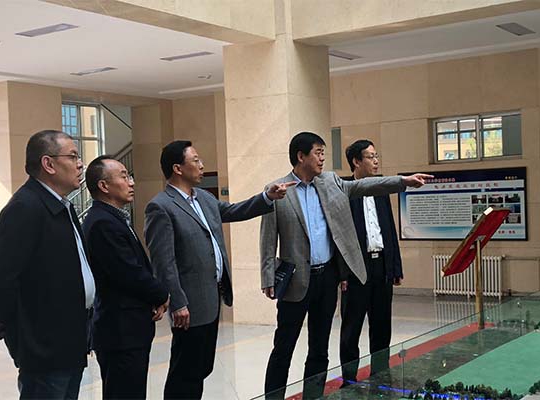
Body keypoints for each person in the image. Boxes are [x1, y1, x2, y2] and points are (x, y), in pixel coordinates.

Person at [260, 132, 431, 399]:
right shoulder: (278, 190)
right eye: (318, 152)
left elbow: (366, 185)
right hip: (296, 281)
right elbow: (268, 237)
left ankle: (314, 396)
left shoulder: (330, 182)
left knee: (319, 350)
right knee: (283, 348)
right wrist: (267, 276)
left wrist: (403, 181)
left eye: (323, 152)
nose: (322, 158)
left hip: (327, 279)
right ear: (300, 156)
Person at [145, 140, 294, 399]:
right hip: (189, 305)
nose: (202, 165)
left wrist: (267, 197)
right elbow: (163, 263)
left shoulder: (204, 198)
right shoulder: (161, 206)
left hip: (211, 298)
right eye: (196, 161)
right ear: (178, 168)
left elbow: (234, 210)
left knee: (202, 367)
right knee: (185, 371)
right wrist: (178, 302)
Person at [0, 129, 95, 399]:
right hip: (45, 350)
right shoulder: (26, 208)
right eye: (73, 156)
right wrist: (23, 340)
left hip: (70, 341)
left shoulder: (61, 205)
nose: (80, 164)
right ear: (48, 164)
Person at [82, 156, 170, 399]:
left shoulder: (113, 217)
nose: (131, 182)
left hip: (129, 328)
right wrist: (161, 294)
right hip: (120, 331)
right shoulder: (102, 223)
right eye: (123, 176)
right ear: (103, 185)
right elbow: (128, 273)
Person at [339, 139, 403, 386]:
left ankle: (380, 373)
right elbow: (338, 236)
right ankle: (349, 379)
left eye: (377, 156)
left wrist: (395, 266)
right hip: (356, 269)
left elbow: (389, 230)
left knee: (382, 326)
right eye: (370, 157)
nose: (376, 161)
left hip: (381, 266)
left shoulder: (381, 190)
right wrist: (342, 273)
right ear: (356, 161)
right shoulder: (344, 190)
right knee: (351, 328)